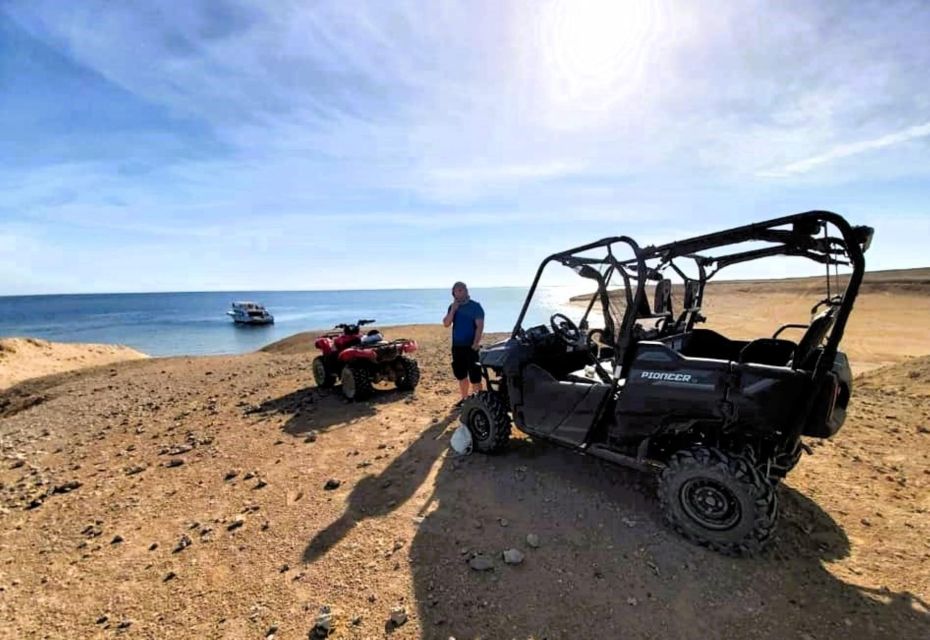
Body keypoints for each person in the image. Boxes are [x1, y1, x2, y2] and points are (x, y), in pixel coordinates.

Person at [442, 281, 484, 405]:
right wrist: (453, 310)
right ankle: (465, 399)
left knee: (475, 377)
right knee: (461, 375)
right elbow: (446, 323)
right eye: (458, 290)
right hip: (457, 347)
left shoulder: (475, 306)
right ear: (453, 293)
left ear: (467, 291)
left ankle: (479, 401)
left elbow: (479, 326)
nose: (461, 292)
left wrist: (476, 342)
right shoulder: (452, 307)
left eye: (463, 289)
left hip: (471, 347)